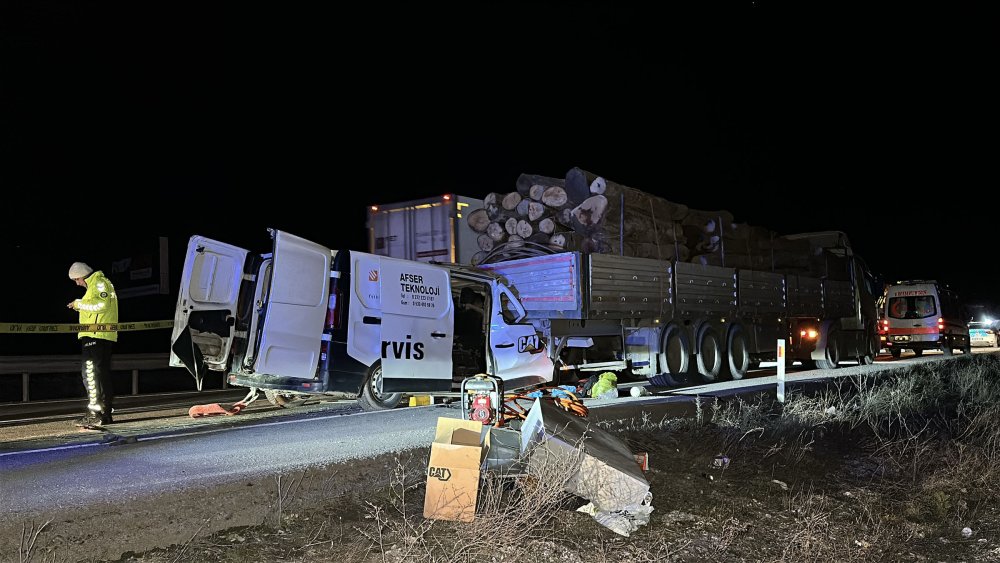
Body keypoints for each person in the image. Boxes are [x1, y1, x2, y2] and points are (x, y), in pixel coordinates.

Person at [67, 262, 119, 427]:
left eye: (77, 279)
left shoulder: (98, 283)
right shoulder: (99, 284)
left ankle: (96, 414)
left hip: (95, 335)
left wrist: (78, 304)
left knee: (90, 373)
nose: (77, 283)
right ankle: (105, 414)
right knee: (100, 374)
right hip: (100, 335)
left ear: (82, 275)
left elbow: (101, 305)